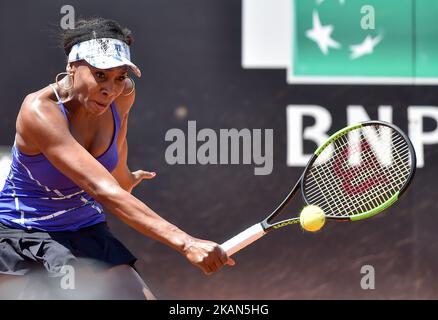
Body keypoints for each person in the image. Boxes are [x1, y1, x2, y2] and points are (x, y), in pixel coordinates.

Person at [0, 17, 234, 300]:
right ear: (72, 68)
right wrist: (186, 242)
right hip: (22, 234)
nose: (110, 89)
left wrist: (124, 178)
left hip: (86, 230)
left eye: (119, 77)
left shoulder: (123, 96)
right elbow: (101, 188)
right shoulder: (39, 110)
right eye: (100, 75)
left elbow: (117, 149)